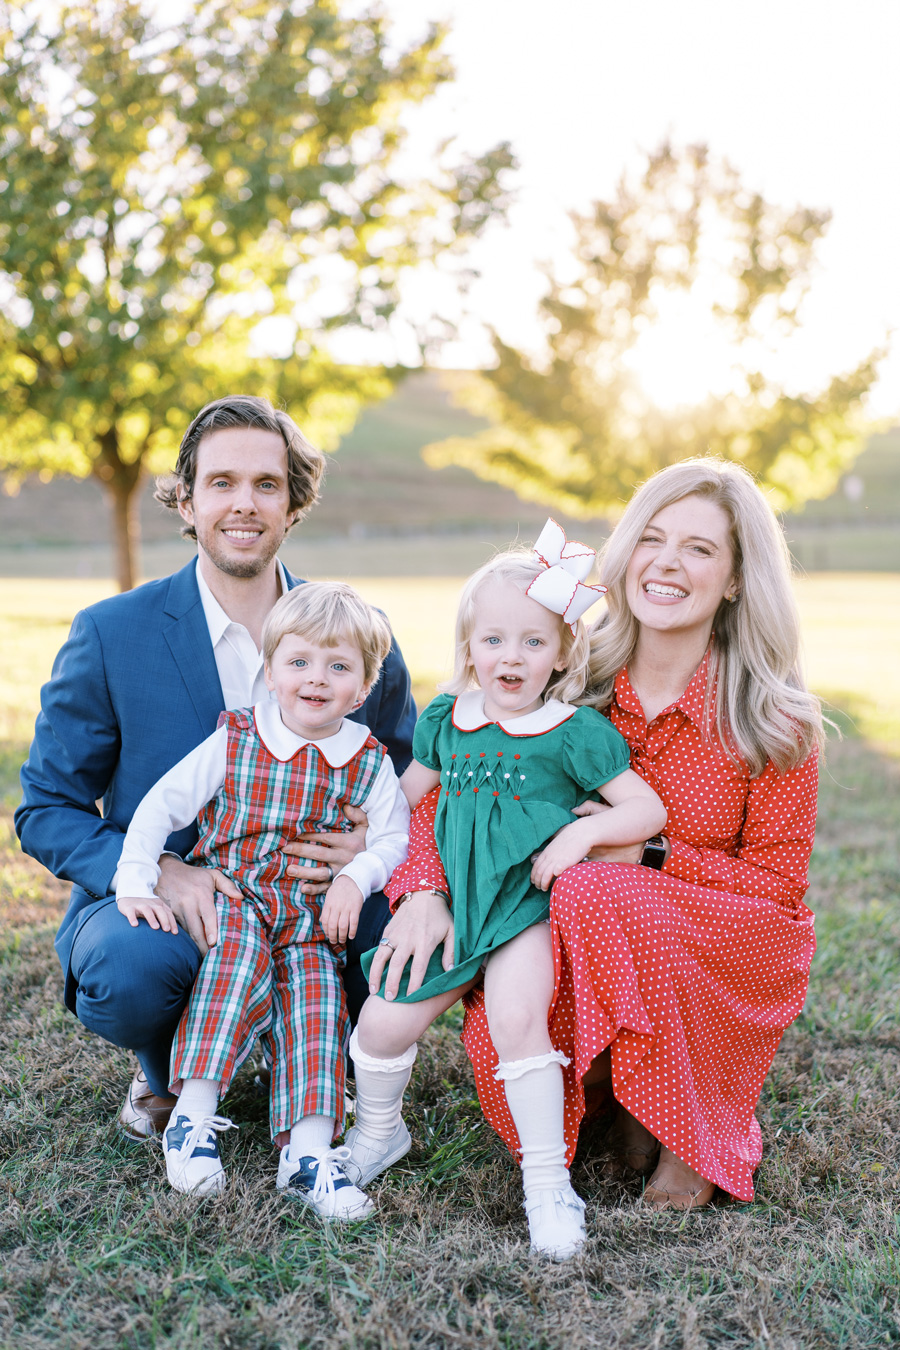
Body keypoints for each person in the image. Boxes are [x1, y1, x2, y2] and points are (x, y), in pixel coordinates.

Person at [375, 458, 823, 1213]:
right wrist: (422, 887)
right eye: (651, 538)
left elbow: (778, 891)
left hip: (722, 936)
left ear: (739, 578)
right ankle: (612, 1092)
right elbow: (444, 788)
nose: (667, 563)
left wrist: (647, 855)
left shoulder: (773, 721)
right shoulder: (560, 682)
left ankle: (689, 1130)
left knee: (598, 886)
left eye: (701, 548)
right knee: (574, 901)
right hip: (566, 936)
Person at [15, 396, 416, 1144]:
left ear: (294, 503)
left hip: (313, 898)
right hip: (170, 902)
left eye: (267, 484)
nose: (243, 503)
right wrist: (160, 868)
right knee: (132, 964)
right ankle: (162, 1070)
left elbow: (409, 780)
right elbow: (45, 809)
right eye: (221, 482)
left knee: (405, 934)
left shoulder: (359, 636)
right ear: (188, 500)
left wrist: (367, 851)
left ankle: (334, 1062)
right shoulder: (112, 633)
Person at [343, 531, 666, 1259]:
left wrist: (581, 837)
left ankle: (549, 1184)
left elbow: (646, 812)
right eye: (493, 639)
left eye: (531, 641)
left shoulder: (573, 733)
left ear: (561, 653)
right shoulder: (445, 723)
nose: (510, 657)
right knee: (383, 1021)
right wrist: (361, 835)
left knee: (522, 1020)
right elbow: (400, 803)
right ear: (468, 646)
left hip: (527, 908)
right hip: (455, 906)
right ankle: (377, 1134)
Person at [115, 582, 409, 1216]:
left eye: (339, 666)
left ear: (362, 688)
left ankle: (307, 1155)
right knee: (235, 966)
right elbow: (161, 805)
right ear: (270, 672)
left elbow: (393, 840)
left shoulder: (368, 761)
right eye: (299, 662)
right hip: (237, 894)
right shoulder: (237, 738)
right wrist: (136, 876)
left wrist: (356, 876)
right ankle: (191, 1117)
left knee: (317, 1005)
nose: (316, 679)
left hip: (308, 915)